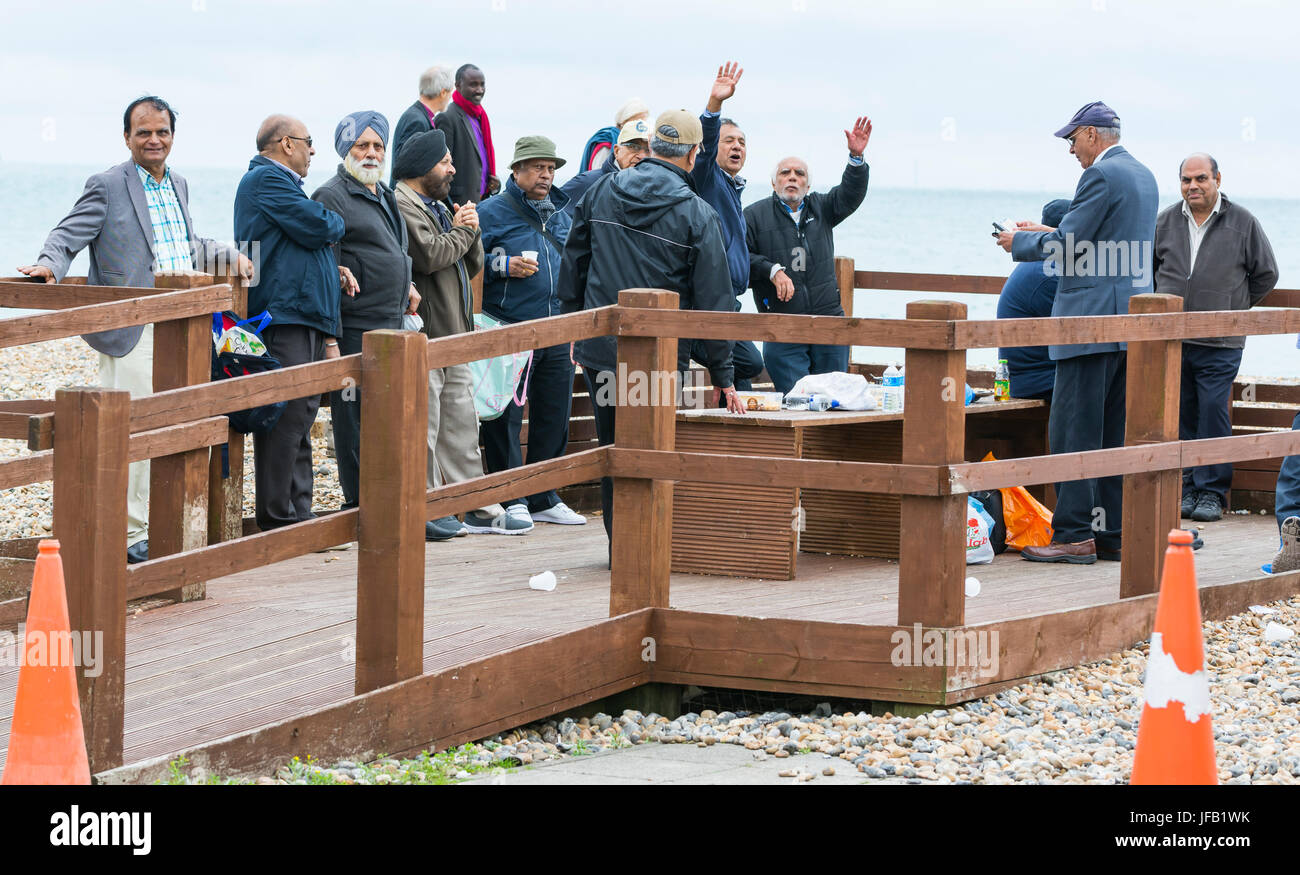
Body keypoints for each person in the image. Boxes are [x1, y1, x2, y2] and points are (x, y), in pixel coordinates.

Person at [19, 95, 250, 564]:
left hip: (182, 325)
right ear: (127, 137)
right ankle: (128, 539)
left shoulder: (179, 184)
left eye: (162, 131)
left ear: (172, 136)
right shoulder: (106, 185)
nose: (153, 140)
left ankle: (164, 528)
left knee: (177, 425)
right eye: (143, 132)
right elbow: (67, 235)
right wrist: (48, 266)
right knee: (134, 432)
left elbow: (184, 244)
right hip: (133, 327)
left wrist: (230, 254)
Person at [558, 109, 747, 545]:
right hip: (660, 359)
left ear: (654, 147)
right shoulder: (698, 215)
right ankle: (646, 550)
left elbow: (574, 263)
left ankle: (618, 550)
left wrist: (575, 327)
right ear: (694, 154)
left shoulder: (602, 190)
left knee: (611, 453)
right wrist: (724, 375)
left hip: (602, 350)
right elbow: (715, 304)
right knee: (652, 452)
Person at [995, 101, 1158, 564]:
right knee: (1109, 434)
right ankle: (1109, 534)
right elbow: (1104, 245)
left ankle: (1071, 535)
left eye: (1072, 140)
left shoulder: (1099, 176)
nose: (1071, 151)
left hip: (1087, 323)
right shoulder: (1143, 175)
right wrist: (1051, 229)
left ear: (1092, 134)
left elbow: (1069, 248)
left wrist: (1018, 242)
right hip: (1124, 324)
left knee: (1071, 432)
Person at [393, 129, 530, 539]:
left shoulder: (434, 204)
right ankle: (434, 508)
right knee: (429, 430)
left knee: (461, 429)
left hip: (454, 335)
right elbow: (432, 256)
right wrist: (463, 230)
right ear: (422, 166)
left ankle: (476, 505)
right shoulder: (404, 203)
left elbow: (468, 264)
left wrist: (471, 230)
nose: (452, 169)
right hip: (428, 336)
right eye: (445, 161)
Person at [234, 115, 350, 532]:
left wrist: (331, 264)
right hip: (283, 315)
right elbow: (322, 224)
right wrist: (330, 224)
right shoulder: (266, 180)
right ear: (286, 143)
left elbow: (310, 235)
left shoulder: (280, 184)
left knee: (300, 417)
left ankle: (299, 517)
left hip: (301, 312)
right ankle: (278, 520)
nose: (313, 150)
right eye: (309, 142)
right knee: (284, 417)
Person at [1154, 154, 1278, 524]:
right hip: (1174, 338)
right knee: (1183, 416)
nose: (1193, 186)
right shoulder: (1164, 221)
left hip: (1221, 341)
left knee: (1212, 412)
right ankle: (1189, 487)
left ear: (1217, 179)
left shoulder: (1242, 222)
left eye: (1201, 179)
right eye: (1186, 180)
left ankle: (1212, 492)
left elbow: (1266, 274)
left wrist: (1233, 307)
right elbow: (1150, 271)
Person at [310, 110, 420, 510]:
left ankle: (390, 505)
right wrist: (330, 340)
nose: (372, 153)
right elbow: (326, 273)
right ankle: (361, 507)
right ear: (346, 150)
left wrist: (406, 281)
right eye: (362, 146)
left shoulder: (384, 193)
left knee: (390, 423)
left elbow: (392, 252)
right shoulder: (331, 196)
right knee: (354, 424)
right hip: (353, 331)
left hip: (392, 328)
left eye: (378, 146)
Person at [475, 136, 585, 529]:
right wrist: (503, 265)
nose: (546, 174)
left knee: (554, 414)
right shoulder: (491, 211)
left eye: (551, 168)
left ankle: (544, 495)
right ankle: (510, 497)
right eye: (538, 167)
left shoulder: (562, 213)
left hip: (557, 327)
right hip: (510, 327)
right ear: (516, 170)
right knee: (505, 414)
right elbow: (469, 262)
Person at [745, 117, 872, 395]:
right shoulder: (754, 215)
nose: (792, 177)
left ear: (808, 185)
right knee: (796, 401)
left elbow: (851, 194)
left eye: (799, 174)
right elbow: (740, 258)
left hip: (828, 322)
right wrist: (772, 270)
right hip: (782, 324)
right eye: (785, 173)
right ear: (773, 181)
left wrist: (856, 158)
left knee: (833, 402)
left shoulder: (823, 208)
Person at [690, 61, 764, 393]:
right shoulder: (707, 179)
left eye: (742, 142)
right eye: (729, 140)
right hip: (706, 302)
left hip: (729, 300)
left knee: (739, 376)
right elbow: (703, 150)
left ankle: (736, 435)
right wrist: (714, 105)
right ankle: (690, 341)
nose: (737, 146)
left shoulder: (734, 188)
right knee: (749, 362)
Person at [995, 198, 1072, 403]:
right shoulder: (1049, 274)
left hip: (1033, 375)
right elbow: (1077, 329)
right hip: (1035, 380)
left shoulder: (1042, 265)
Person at [434, 64, 500, 207]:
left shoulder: (480, 117)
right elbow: (440, 168)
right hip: (458, 205)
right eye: (473, 85)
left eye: (482, 84)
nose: (479, 90)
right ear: (457, 86)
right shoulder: (447, 117)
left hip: (483, 201)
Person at [560, 117, 651, 210]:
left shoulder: (658, 189)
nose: (642, 156)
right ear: (616, 151)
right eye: (634, 147)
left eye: (648, 150)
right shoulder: (588, 183)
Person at [390, 65, 454, 186]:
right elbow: (406, 167)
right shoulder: (417, 121)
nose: (450, 97)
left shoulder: (417, 115)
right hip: (408, 199)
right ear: (443, 93)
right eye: (451, 92)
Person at [579, 97, 649, 173]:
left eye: (643, 121)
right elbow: (598, 174)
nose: (640, 125)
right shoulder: (606, 141)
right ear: (623, 121)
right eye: (635, 121)